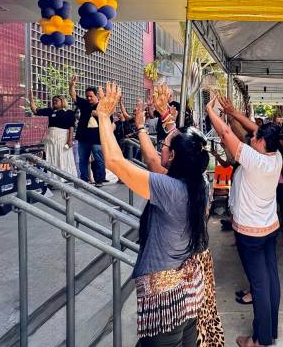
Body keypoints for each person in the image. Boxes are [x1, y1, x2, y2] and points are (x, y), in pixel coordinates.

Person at [95, 83, 222, 346]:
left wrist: (105, 118)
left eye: (164, 145)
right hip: (190, 294)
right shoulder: (198, 182)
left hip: (166, 302)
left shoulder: (169, 189)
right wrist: (161, 118)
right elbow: (167, 156)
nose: (160, 148)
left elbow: (115, 162)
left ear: (173, 156)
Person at [207, 94, 282, 347]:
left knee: (260, 286)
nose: (251, 137)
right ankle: (270, 331)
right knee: (270, 279)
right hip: (269, 228)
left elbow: (227, 133)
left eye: (255, 138)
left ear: (262, 143)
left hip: (251, 233)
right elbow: (253, 129)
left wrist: (212, 111)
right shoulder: (275, 156)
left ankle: (259, 340)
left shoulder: (254, 160)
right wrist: (234, 112)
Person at [69, 75, 107, 186]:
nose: (89, 98)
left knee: (99, 159)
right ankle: (84, 180)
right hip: (83, 137)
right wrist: (71, 85)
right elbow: (73, 95)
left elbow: (109, 121)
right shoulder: (84, 104)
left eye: (91, 96)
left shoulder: (103, 106)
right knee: (83, 160)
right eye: (87, 96)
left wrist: (99, 114)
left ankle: (99, 180)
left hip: (97, 138)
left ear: (97, 96)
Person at [29, 92, 76, 178]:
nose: (54, 102)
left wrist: (70, 140)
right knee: (50, 157)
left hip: (62, 138)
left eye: (56, 101)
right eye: (53, 101)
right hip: (50, 139)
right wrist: (31, 98)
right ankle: (51, 179)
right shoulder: (50, 111)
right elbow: (35, 110)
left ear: (62, 102)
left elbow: (71, 127)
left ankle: (64, 178)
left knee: (62, 156)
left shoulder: (69, 112)